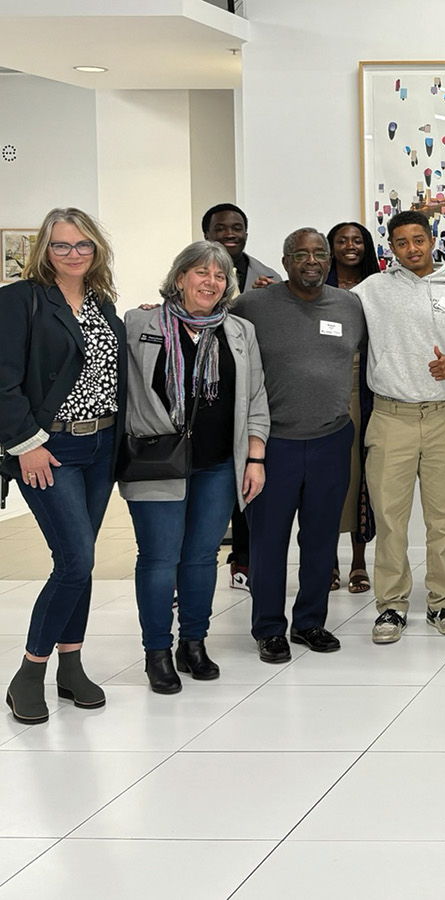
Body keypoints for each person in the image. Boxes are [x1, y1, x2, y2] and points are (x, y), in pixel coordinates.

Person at [118, 241, 265, 693]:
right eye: (200, 272)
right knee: (160, 559)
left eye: (219, 276)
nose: (210, 282)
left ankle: (194, 643)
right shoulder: (140, 323)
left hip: (218, 464)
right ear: (180, 277)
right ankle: (157, 651)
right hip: (156, 462)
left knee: (202, 559)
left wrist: (255, 457)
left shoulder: (239, 331)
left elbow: (255, 396)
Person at [1, 209, 126, 723]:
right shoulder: (19, 299)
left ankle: (70, 667)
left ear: (96, 248)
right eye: (61, 246)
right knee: (74, 561)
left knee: (83, 560)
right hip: (48, 449)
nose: (73, 254)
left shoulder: (102, 303)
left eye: (83, 245)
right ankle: (29, 673)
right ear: (43, 250)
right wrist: (25, 443)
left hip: (101, 447)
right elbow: (2, 380)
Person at [354, 209, 445, 643]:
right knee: (390, 517)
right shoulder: (370, 291)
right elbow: (325, 305)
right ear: (390, 248)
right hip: (390, 416)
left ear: (432, 241)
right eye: (401, 243)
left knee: (444, 516)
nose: (412, 249)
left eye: (419, 240)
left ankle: (443, 601)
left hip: (444, 417)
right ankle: (391, 607)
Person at [233, 229, 363, 666]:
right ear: (285, 261)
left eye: (319, 254)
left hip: (331, 438)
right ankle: (268, 628)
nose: (312, 261)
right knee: (268, 542)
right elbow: (210, 324)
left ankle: (309, 621)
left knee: (322, 539)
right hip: (274, 445)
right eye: (301, 254)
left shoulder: (349, 305)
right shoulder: (253, 306)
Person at [203, 203, 279, 594]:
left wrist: (272, 297)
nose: (229, 234)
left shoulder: (268, 276)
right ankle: (199, 567)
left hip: (249, 389)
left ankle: (244, 560)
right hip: (205, 395)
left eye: (237, 227)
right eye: (221, 228)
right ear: (207, 233)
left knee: (249, 481)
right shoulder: (194, 270)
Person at [325, 222, 380, 594]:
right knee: (327, 474)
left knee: (362, 473)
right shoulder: (315, 285)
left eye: (357, 240)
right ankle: (326, 561)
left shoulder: (379, 287)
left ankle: (359, 563)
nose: (350, 246)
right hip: (326, 383)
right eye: (341, 241)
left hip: (368, 384)